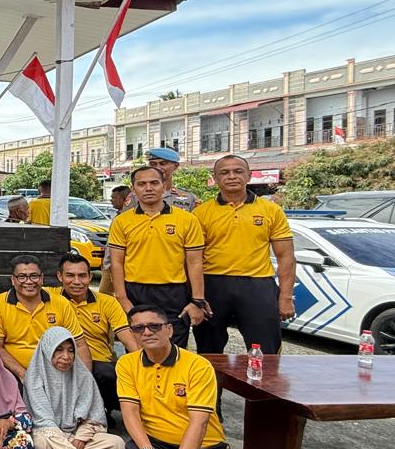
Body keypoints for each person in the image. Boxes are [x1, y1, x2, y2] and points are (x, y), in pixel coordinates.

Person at [118, 304, 253, 449]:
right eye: (139, 328)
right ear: (132, 334)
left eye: (154, 326)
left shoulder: (198, 366)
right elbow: (130, 412)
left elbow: (199, 424)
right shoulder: (127, 363)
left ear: (169, 330)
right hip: (157, 443)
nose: (147, 332)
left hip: (204, 448)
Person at [192, 155, 296, 353]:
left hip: (257, 285)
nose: (232, 176)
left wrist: (286, 297)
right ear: (215, 178)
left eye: (238, 171)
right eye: (224, 172)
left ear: (249, 175)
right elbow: (193, 259)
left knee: (266, 350)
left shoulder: (271, 210)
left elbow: (286, 257)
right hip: (212, 285)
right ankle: (211, 376)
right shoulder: (201, 213)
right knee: (208, 350)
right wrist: (194, 297)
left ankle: (262, 375)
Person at [25, 327, 124, 449]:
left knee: (115, 444)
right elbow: (43, 422)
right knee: (44, 445)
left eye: (71, 350)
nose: (66, 356)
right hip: (49, 435)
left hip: (76, 434)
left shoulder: (82, 375)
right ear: (47, 350)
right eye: (59, 350)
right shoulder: (35, 377)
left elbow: (94, 416)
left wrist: (81, 438)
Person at [107, 166, 207, 347]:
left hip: (173, 292)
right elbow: (116, 262)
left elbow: (194, 262)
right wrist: (122, 298)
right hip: (135, 291)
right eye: (142, 184)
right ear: (134, 189)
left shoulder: (187, 220)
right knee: (139, 349)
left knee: (173, 348)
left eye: (154, 183)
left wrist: (197, 301)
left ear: (164, 185)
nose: (148, 188)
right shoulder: (122, 221)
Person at [55, 251, 134, 414]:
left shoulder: (107, 302)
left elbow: (126, 337)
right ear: (59, 276)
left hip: (99, 361)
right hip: (61, 358)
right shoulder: (49, 297)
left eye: (82, 276)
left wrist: (148, 361)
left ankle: (104, 411)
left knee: (108, 374)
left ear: (90, 277)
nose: (77, 281)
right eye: (70, 275)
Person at [0, 254, 88, 381]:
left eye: (34, 276)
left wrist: (84, 380)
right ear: (13, 280)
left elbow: (80, 345)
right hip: (14, 373)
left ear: (42, 278)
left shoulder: (61, 303)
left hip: (55, 371)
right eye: (22, 277)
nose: (29, 281)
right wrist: (22, 374)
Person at [124, 148, 198, 212]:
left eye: (163, 164)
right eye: (153, 164)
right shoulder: (136, 196)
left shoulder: (189, 198)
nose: (158, 168)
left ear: (175, 166)